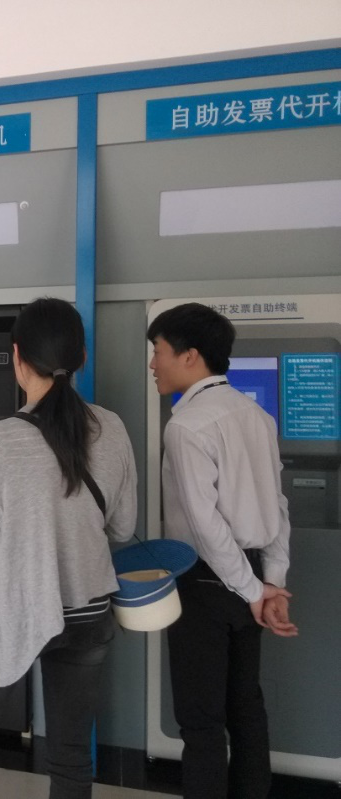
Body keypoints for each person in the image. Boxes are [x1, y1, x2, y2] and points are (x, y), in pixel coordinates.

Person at [0, 298, 137, 799]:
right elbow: (123, 528)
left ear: (18, 357)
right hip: (87, 612)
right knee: (71, 758)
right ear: (81, 357)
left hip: (10, 613)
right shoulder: (112, 428)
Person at [147, 302, 298, 799]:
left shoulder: (186, 426)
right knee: (245, 707)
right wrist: (270, 582)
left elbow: (206, 526)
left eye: (158, 351)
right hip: (249, 575)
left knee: (201, 721)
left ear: (190, 356)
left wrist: (256, 591)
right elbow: (277, 505)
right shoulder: (257, 415)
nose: (153, 364)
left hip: (205, 582)